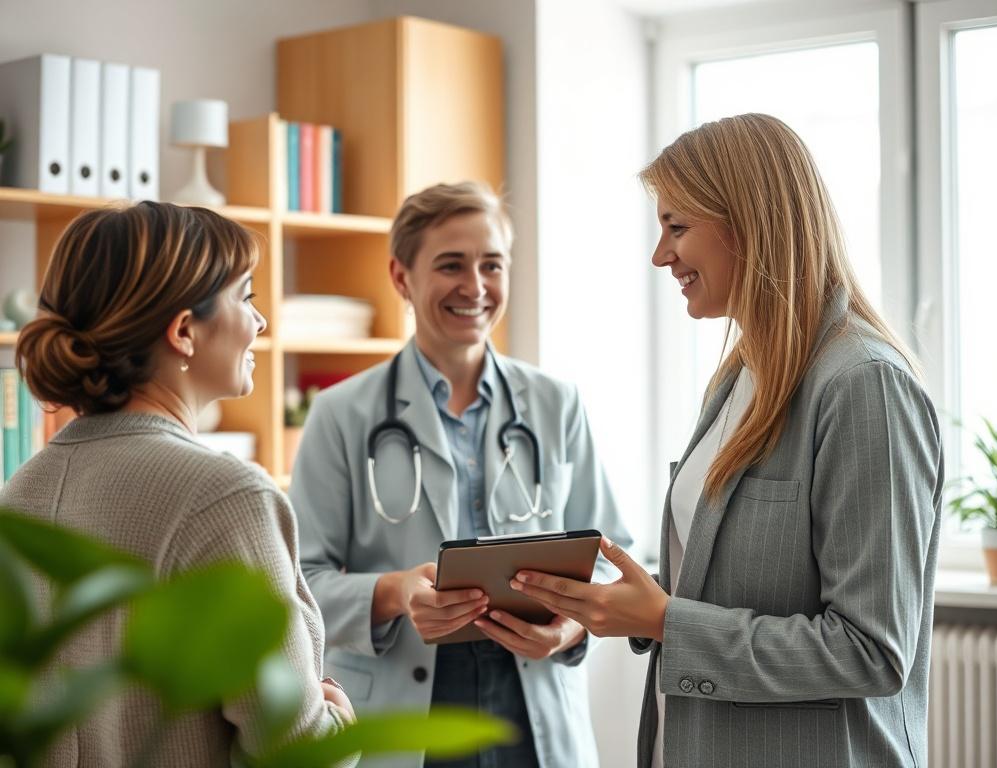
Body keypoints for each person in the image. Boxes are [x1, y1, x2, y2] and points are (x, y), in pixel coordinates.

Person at [508, 114, 944, 768]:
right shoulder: (742, 374)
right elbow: (725, 577)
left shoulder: (864, 386)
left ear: (750, 225)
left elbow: (871, 650)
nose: (661, 256)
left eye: (677, 228)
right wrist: (597, 610)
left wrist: (663, 621)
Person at [290, 181, 632, 768]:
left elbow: (613, 552)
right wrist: (393, 592)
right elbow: (299, 583)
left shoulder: (556, 402)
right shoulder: (341, 412)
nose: (474, 287)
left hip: (532, 704)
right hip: (403, 711)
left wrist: (569, 630)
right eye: (451, 265)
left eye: (491, 265)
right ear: (401, 277)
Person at [1, 201, 355, 767]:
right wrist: (336, 716)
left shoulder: (22, 491)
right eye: (246, 297)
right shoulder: (227, 498)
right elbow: (298, 752)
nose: (261, 323)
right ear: (185, 330)